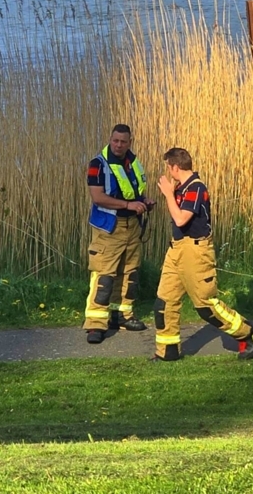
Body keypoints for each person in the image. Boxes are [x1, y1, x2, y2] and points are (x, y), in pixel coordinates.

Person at [151, 147, 253, 361]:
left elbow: (181, 219)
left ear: (175, 167)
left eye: (168, 167)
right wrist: (172, 194)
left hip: (195, 252)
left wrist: (167, 195)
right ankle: (168, 352)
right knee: (164, 302)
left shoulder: (196, 187)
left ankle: (247, 334)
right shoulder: (182, 188)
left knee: (205, 306)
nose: (168, 172)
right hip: (177, 249)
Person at [83, 124, 154, 344]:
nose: (119, 145)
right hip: (108, 228)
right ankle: (95, 324)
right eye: (115, 140)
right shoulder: (97, 164)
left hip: (132, 226)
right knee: (104, 275)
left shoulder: (132, 162)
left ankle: (122, 315)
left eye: (123, 141)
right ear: (110, 139)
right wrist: (128, 205)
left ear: (129, 142)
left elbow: (134, 191)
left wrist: (143, 202)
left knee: (129, 273)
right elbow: (98, 197)